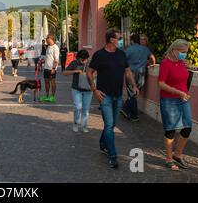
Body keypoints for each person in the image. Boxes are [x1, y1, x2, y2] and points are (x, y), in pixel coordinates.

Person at [86, 28, 139, 169]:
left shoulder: (122, 54)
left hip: (118, 96)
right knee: (109, 125)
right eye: (119, 38)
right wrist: (94, 89)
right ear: (111, 39)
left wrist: (134, 86)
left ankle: (103, 143)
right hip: (105, 97)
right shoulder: (99, 55)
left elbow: (127, 71)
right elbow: (89, 72)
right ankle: (113, 156)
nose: (121, 41)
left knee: (112, 124)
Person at [158, 39, 193, 171]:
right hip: (169, 100)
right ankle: (168, 158)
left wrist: (187, 66)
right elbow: (161, 83)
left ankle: (177, 155)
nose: (185, 54)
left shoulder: (181, 62)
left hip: (183, 99)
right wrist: (177, 92)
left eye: (186, 52)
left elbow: (184, 77)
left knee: (187, 127)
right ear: (174, 50)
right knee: (170, 130)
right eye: (183, 52)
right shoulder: (166, 63)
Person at [120, 34, 156, 122]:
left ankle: (133, 115)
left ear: (132, 41)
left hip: (131, 73)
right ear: (138, 41)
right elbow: (152, 58)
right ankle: (126, 110)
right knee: (135, 93)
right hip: (142, 73)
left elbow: (122, 61)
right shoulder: (145, 49)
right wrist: (152, 63)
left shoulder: (129, 49)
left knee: (132, 93)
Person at [63, 49, 93, 133]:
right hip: (76, 89)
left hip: (88, 89)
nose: (83, 61)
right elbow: (64, 73)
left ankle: (84, 126)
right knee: (78, 107)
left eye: (85, 59)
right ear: (78, 58)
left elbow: (97, 72)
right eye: (82, 59)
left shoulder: (90, 63)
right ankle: (75, 123)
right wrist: (75, 71)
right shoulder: (74, 63)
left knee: (85, 109)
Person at [42, 34, 59, 103]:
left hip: (52, 68)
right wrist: (43, 61)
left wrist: (53, 68)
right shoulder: (48, 47)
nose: (46, 41)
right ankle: (47, 95)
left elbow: (56, 59)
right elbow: (48, 57)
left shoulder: (55, 47)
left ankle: (52, 96)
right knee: (46, 81)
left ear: (51, 39)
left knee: (52, 82)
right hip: (46, 67)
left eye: (47, 39)